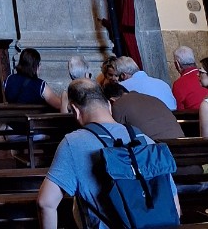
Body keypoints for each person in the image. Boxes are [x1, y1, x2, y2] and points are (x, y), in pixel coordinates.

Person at [37, 79, 180, 229]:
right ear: (109, 105)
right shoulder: (145, 140)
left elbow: (45, 203)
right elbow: (174, 207)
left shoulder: (73, 143)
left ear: (76, 111)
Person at [103, 80, 184, 142]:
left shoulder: (118, 104)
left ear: (111, 100)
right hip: (181, 143)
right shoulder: (152, 98)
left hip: (157, 149)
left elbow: (117, 135)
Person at [172, 45, 208, 111]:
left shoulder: (178, 84)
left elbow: (180, 111)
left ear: (177, 64)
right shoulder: (203, 77)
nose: (198, 75)